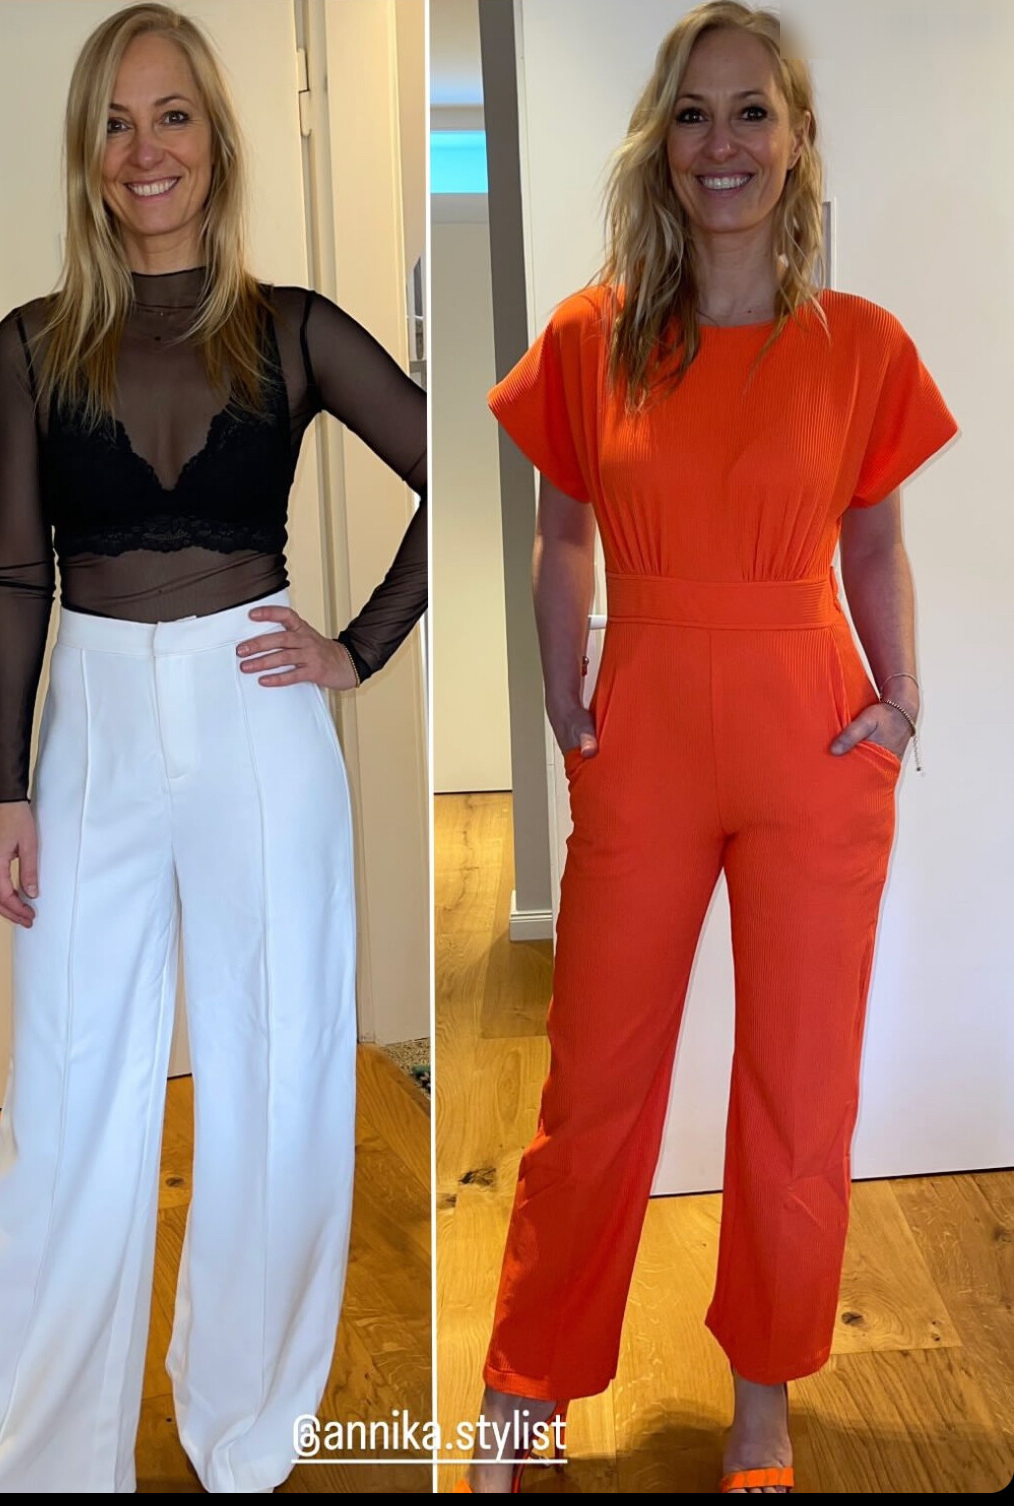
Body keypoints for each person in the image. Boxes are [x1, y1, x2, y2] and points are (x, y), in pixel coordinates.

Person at [461, 1, 956, 1494]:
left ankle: (762, 1404)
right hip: (649, 734)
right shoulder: (590, 335)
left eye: (750, 112)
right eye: (691, 112)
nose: (720, 143)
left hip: (813, 738)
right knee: (594, 1082)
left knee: (798, 1089)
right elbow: (560, 534)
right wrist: (562, 695)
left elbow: (874, 544)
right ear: (659, 141)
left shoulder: (861, 346)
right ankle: (525, 1384)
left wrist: (900, 701)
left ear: (796, 141)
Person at [0, 3, 426, 1494]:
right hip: (86, 729)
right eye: (113, 121)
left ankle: (248, 1432)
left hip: (256, 720)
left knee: (280, 1067)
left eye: (172, 116)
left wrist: (358, 645)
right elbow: (15, 571)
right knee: (67, 1085)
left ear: (216, 139)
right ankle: (26, 1456)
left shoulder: (293, 328)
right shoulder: (32, 344)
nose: (143, 150)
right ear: (84, 153)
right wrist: (4, 789)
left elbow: (468, 465)